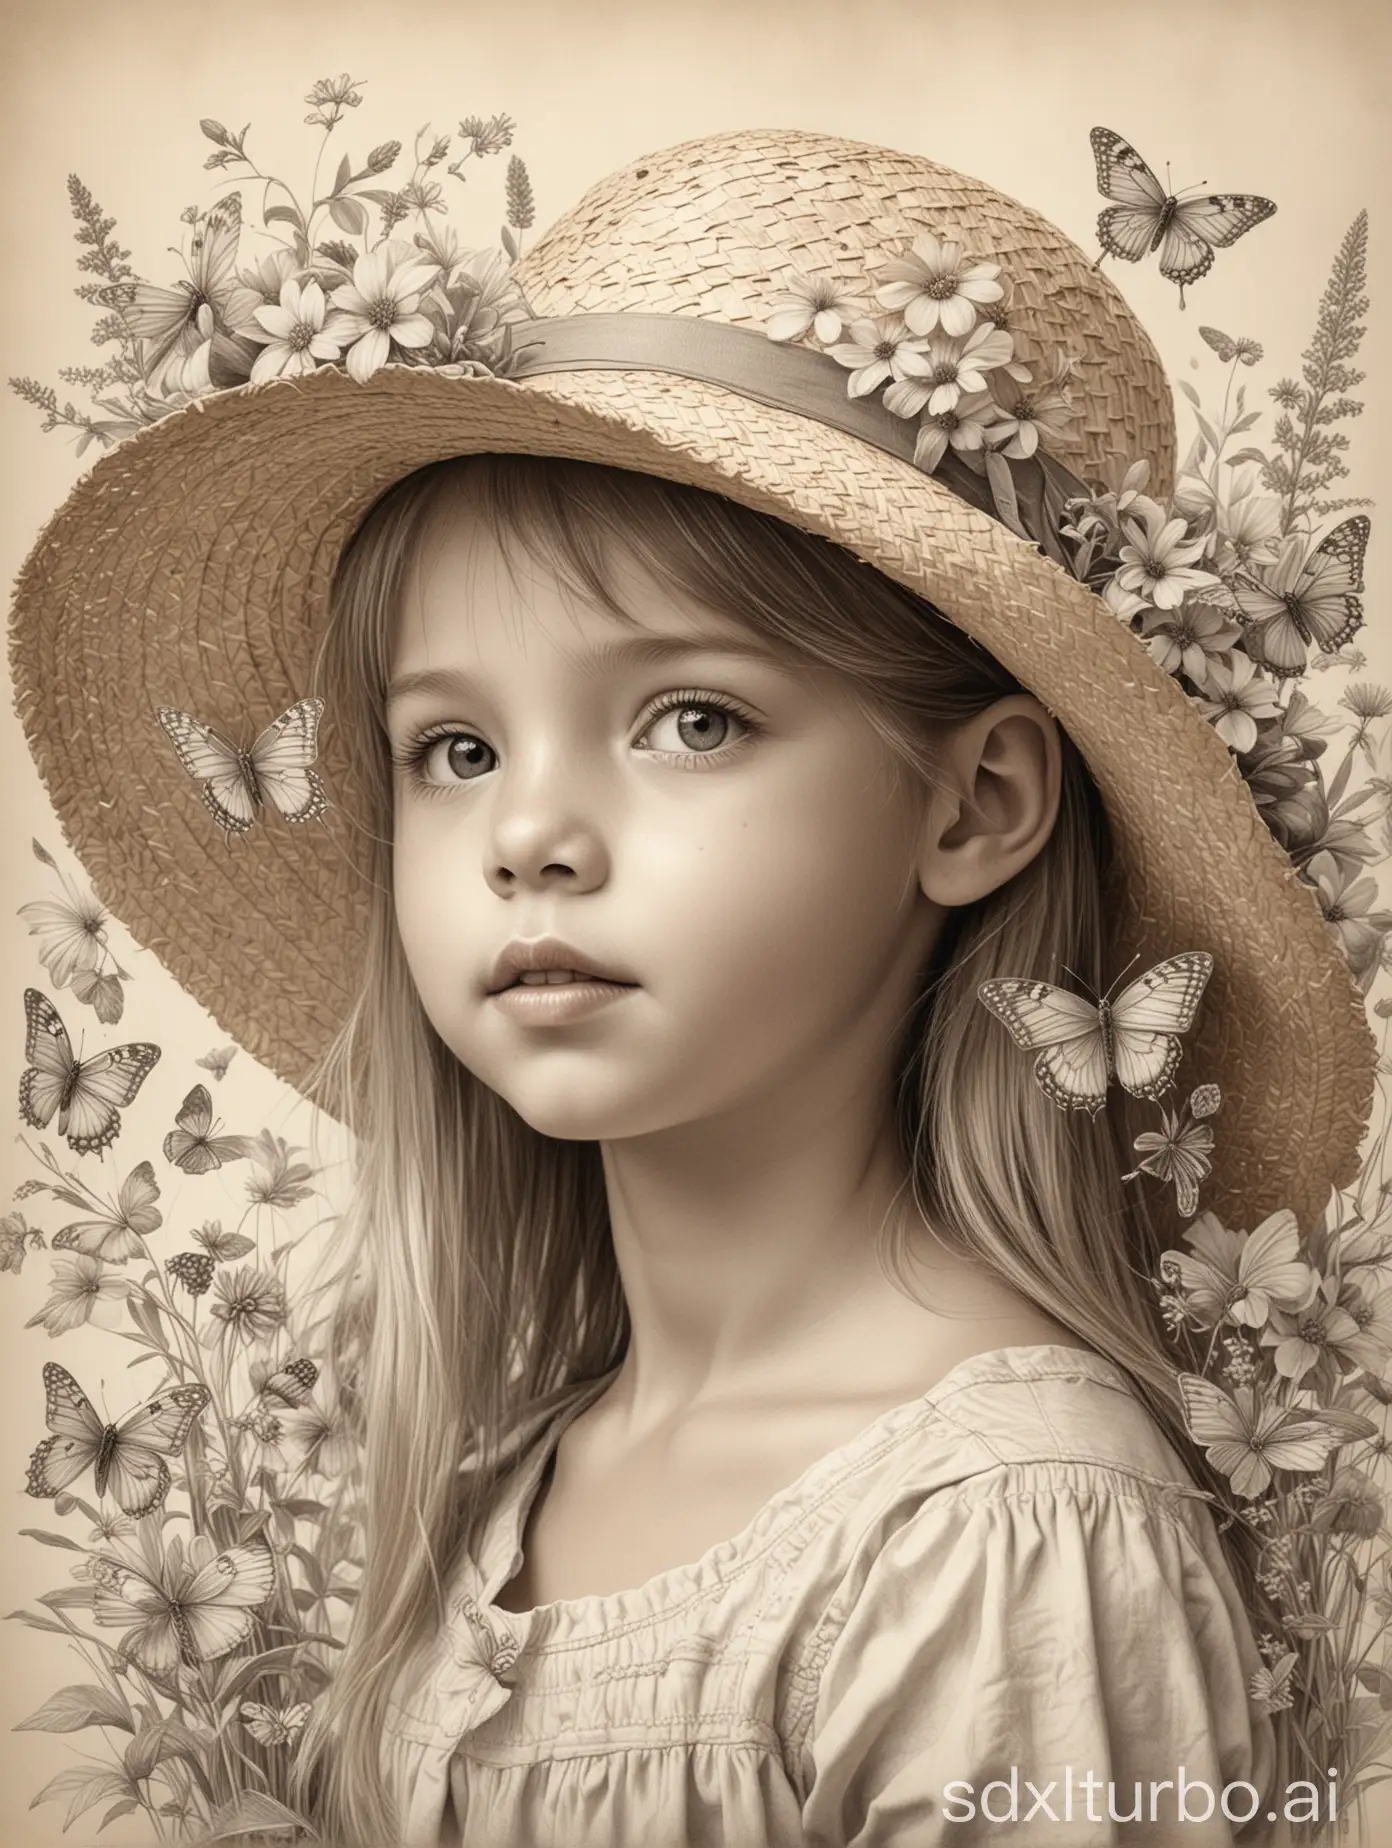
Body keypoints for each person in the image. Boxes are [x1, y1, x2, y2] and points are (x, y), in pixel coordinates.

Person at [9, 123, 1376, 1846]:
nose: (529, 836)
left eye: (692, 721)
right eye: (450, 745)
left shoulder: (1006, 1535)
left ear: (978, 803)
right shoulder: (512, 1482)